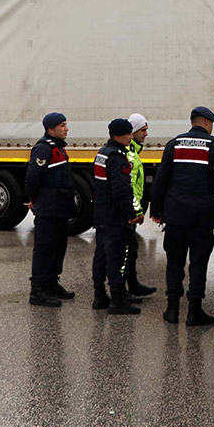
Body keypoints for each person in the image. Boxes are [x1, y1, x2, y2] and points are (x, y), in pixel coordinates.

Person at [150, 106, 214, 326]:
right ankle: (194, 312)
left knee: (174, 263)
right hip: (201, 218)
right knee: (198, 263)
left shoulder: (174, 144)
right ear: (206, 122)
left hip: (175, 216)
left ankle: (172, 310)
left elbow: (160, 180)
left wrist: (156, 211)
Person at [91, 118, 144, 314]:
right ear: (118, 135)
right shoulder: (118, 157)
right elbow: (121, 190)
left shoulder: (103, 153)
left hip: (101, 213)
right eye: (128, 134)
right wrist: (132, 214)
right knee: (117, 258)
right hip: (114, 216)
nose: (131, 137)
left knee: (101, 255)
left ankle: (99, 296)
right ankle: (118, 300)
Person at [24, 112, 76, 307]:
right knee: (45, 249)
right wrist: (34, 200)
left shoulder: (58, 148)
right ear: (51, 129)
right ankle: (38, 290)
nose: (66, 129)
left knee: (58, 247)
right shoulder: (43, 149)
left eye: (65, 124)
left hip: (60, 208)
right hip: (48, 208)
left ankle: (52, 283)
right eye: (62, 125)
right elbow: (33, 178)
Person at [123, 113, 157, 297]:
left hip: (130, 211)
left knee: (131, 251)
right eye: (143, 130)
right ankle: (122, 291)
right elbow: (129, 187)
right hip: (128, 212)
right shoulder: (129, 155)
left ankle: (132, 285)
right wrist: (136, 211)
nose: (146, 134)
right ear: (133, 132)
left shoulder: (134, 152)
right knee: (126, 252)